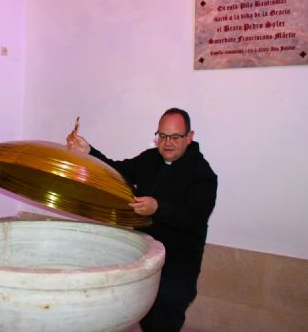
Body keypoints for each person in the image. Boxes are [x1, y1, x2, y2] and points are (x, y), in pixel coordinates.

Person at [66, 107, 217, 332]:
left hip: (177, 269)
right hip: (145, 260)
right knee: (146, 321)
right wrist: (89, 151)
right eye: (162, 136)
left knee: (165, 322)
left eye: (175, 137)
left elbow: (191, 219)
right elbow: (118, 172)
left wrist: (157, 207)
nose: (167, 143)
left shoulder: (203, 175)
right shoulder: (150, 158)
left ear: (190, 137)